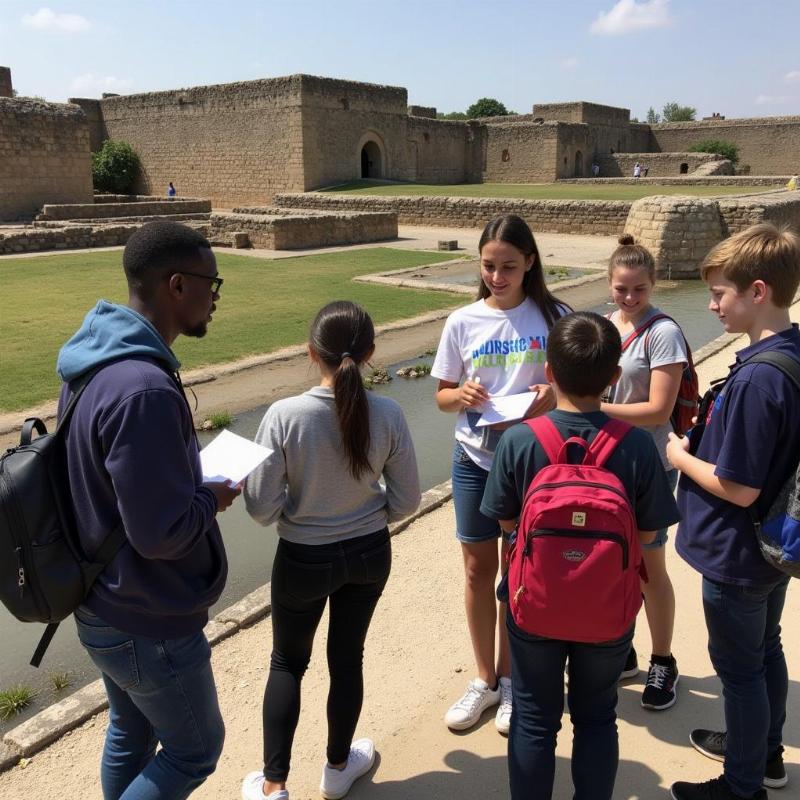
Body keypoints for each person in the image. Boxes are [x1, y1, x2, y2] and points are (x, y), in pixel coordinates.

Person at [57, 220, 240, 799]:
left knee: (130, 732)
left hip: (102, 600)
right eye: (212, 283)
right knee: (194, 751)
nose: (215, 296)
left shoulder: (97, 359)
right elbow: (160, 535)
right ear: (177, 285)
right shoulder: (143, 388)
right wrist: (212, 495)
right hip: (145, 613)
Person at [481, 311, 680, 800]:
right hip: (608, 609)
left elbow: (504, 522)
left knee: (533, 717)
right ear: (614, 378)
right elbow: (651, 530)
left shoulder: (520, 441)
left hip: (535, 603)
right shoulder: (635, 447)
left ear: (548, 372)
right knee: (596, 717)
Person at [241, 301, 420, 800]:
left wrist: (308, 510)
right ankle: (337, 767)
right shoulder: (387, 411)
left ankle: (274, 784)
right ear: (370, 353)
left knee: (287, 663)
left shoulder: (284, 416)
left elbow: (260, 508)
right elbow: (406, 501)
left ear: (310, 352)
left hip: (303, 557)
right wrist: (361, 512)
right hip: (367, 554)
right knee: (347, 659)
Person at [667, 223, 800, 800]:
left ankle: (742, 785)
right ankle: (763, 752)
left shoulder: (759, 379)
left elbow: (737, 486)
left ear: (759, 291)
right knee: (765, 650)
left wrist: (677, 456)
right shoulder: (789, 353)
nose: (712, 303)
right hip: (770, 546)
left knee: (740, 672)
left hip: (737, 548)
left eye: (721, 293)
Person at [432, 214, 567, 735]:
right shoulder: (462, 321)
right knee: (475, 570)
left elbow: (575, 386)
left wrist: (554, 395)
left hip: (532, 459)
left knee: (516, 575)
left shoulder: (554, 315)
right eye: (489, 266)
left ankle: (511, 681)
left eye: (508, 266)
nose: (497, 276)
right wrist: (458, 395)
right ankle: (484, 680)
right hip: (474, 458)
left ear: (530, 262)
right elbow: (442, 396)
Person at [600, 234, 686, 711]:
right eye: (621, 289)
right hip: (610, 462)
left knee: (651, 567)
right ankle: (624, 648)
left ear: (653, 285)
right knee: (615, 561)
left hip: (649, 465)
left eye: (639, 290)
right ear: (609, 284)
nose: (630, 298)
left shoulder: (663, 332)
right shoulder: (606, 324)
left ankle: (663, 659)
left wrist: (598, 408)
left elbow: (658, 410)